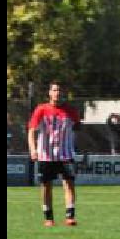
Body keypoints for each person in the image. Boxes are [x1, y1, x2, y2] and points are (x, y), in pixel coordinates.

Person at [27, 81, 81, 227]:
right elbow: (31, 130)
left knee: (69, 183)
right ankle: (48, 217)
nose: (58, 93)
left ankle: (70, 216)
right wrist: (33, 149)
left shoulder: (72, 111)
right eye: (55, 90)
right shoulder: (41, 109)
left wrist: (76, 148)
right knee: (46, 186)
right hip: (46, 155)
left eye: (60, 90)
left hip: (66, 154)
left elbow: (77, 130)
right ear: (50, 93)